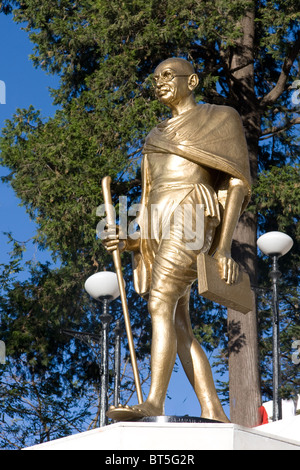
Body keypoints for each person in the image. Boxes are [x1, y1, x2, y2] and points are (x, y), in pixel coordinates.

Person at [103, 57, 251, 422]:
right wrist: (130, 240)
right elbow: (151, 193)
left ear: (193, 80)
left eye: (168, 76)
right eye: (155, 78)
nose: (160, 83)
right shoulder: (154, 135)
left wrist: (223, 247)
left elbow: (235, 183)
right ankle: (213, 409)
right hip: (157, 222)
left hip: (194, 213)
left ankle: (154, 402)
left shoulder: (220, 117)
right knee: (178, 321)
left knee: (160, 304)